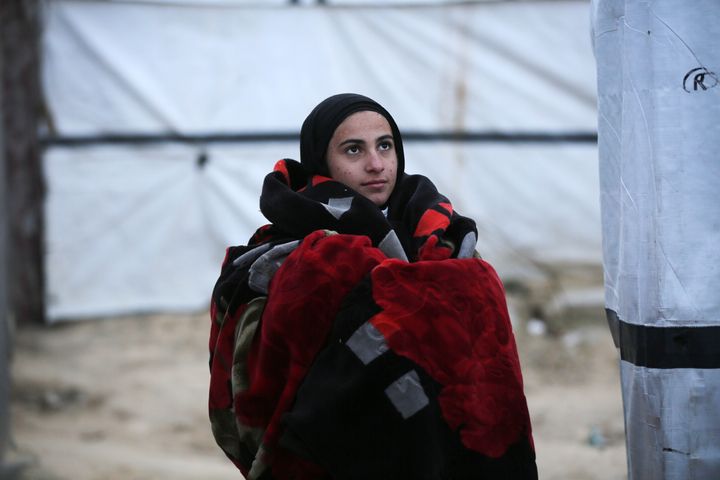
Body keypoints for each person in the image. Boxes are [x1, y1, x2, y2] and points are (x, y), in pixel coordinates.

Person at [208, 93, 537, 479]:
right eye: (353, 150)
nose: (376, 164)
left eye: (385, 145)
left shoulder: (442, 235)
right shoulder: (288, 251)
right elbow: (258, 367)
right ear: (322, 162)